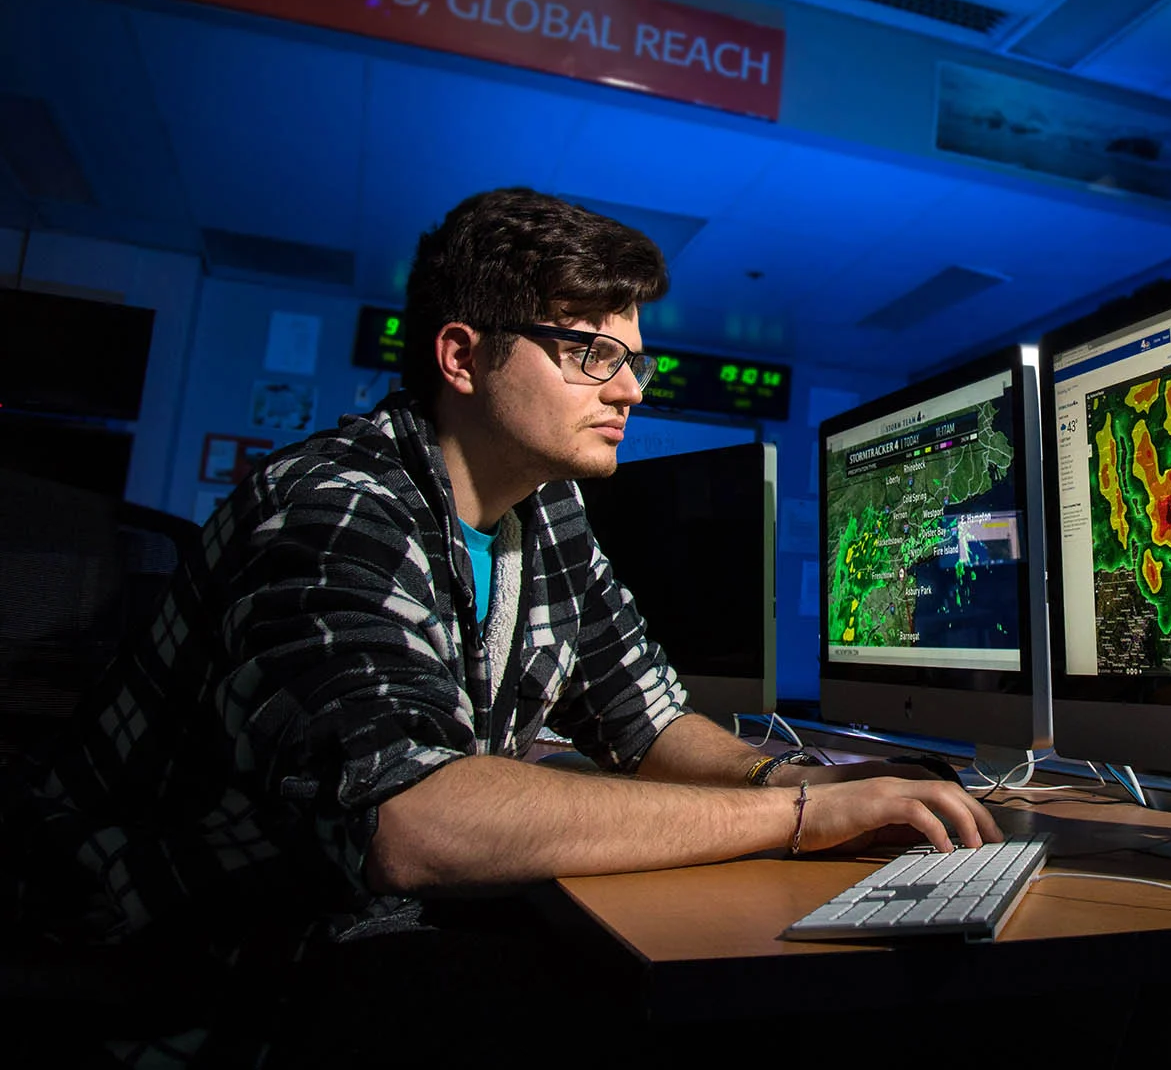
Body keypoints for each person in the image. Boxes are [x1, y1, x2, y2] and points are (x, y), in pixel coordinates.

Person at [5, 188, 999, 1064]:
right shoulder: (335, 506)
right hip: (195, 962)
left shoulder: (545, 511)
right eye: (589, 351)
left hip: (350, 927)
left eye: (634, 358)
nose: (629, 388)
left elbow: (646, 720)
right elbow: (412, 820)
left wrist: (799, 781)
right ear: (461, 355)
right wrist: (791, 820)